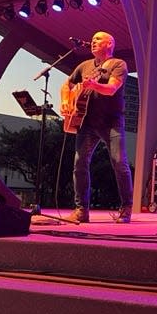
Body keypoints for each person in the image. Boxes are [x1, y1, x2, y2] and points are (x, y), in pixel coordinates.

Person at [60, 31, 134, 223]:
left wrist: (93, 85)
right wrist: (66, 101)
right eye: (92, 39)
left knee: (119, 162)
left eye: (98, 39)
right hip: (87, 121)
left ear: (109, 44)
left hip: (112, 122)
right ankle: (81, 210)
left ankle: (126, 208)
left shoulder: (118, 64)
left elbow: (111, 89)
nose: (93, 42)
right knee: (79, 163)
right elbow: (66, 85)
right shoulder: (84, 66)